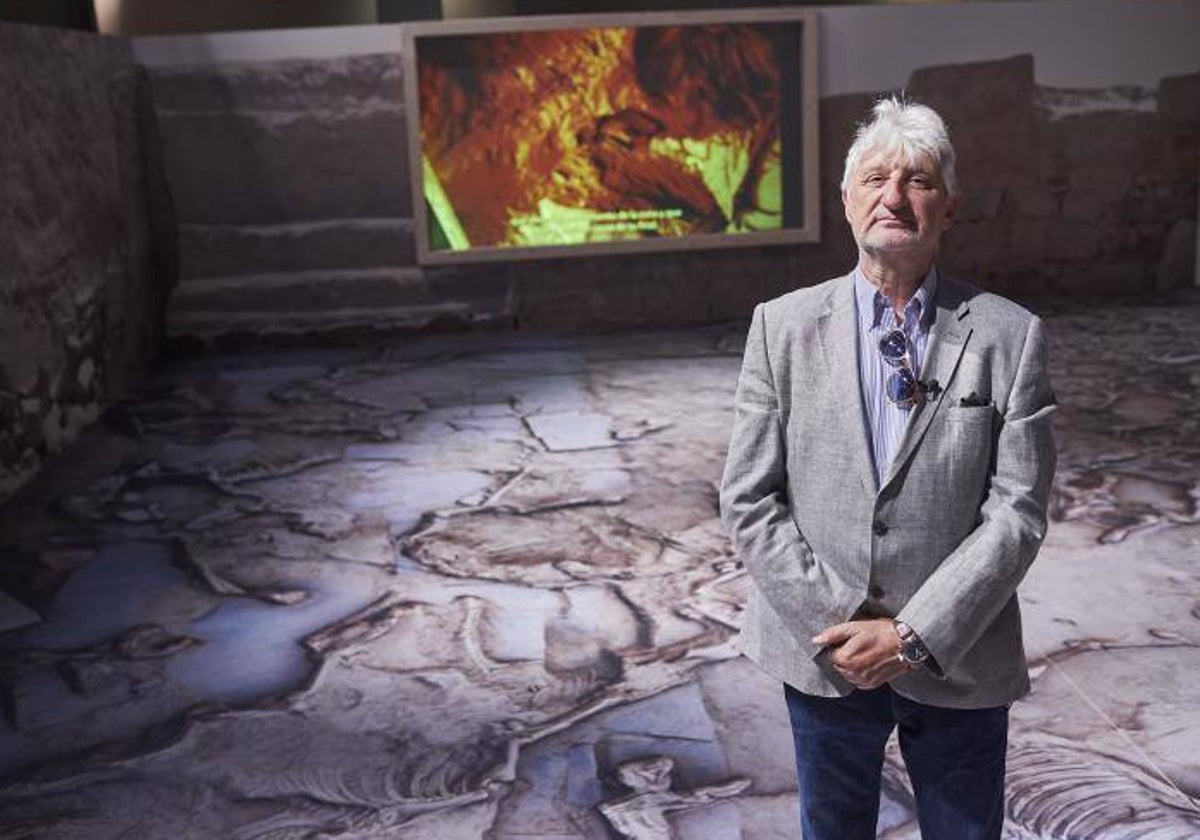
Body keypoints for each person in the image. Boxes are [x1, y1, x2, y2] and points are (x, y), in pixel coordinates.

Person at [719, 97, 1056, 839]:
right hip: (825, 654)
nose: (893, 197)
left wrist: (911, 636)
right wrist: (849, 625)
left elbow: (1018, 510)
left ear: (950, 208)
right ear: (846, 201)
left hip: (958, 654)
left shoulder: (1009, 336)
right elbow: (748, 498)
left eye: (918, 181)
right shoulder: (781, 327)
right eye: (875, 178)